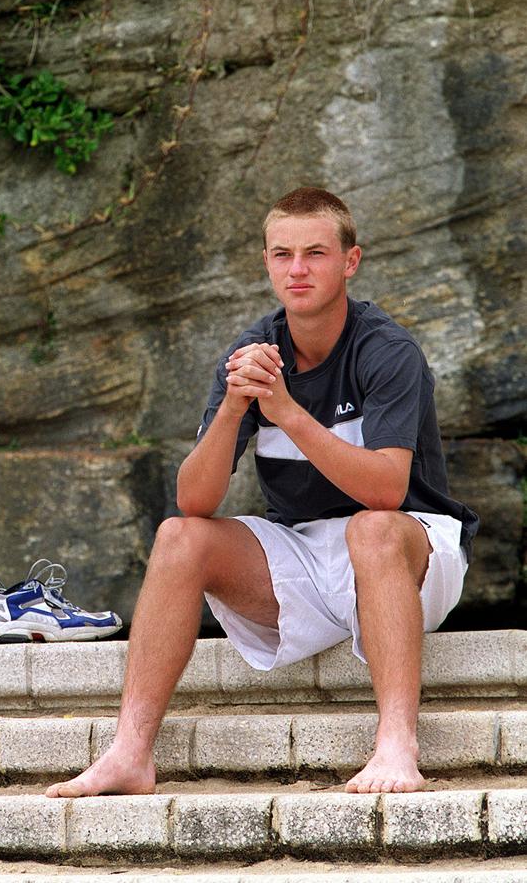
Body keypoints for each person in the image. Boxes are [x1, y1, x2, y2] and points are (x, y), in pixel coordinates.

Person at [46, 186, 478, 798]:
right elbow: (194, 502)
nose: (297, 270)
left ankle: (396, 746)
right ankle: (130, 752)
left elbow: (387, 489)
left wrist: (289, 412)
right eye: (282, 255)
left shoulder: (388, 351)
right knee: (179, 537)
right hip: (305, 557)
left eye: (315, 254)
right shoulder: (251, 350)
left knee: (370, 527)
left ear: (350, 261)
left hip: (409, 551)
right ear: (267, 263)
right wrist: (233, 408)